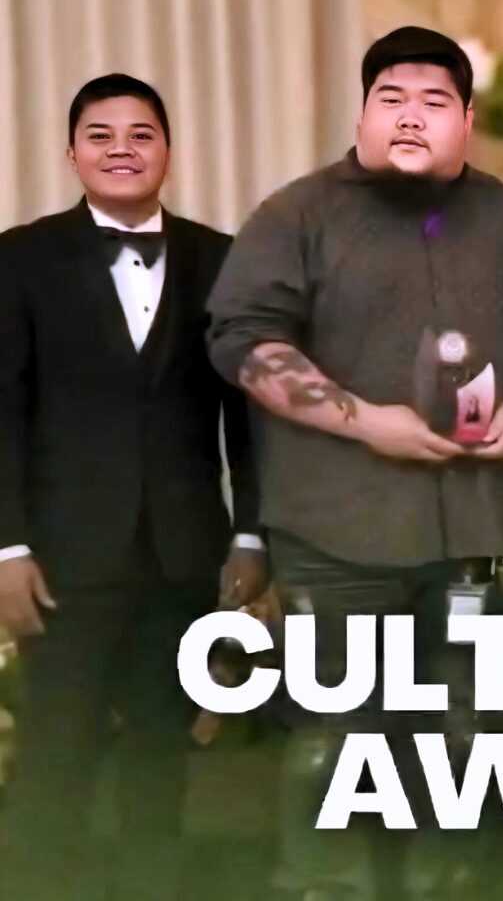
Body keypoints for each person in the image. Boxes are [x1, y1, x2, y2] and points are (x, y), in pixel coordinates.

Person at [207, 27, 503, 898]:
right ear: (364, 112)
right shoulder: (296, 215)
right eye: (391, 100)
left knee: (469, 750)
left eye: (434, 102)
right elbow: (242, 339)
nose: (411, 117)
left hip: (480, 533)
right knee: (336, 749)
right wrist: (364, 420)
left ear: (468, 121)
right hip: (338, 538)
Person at [0, 74, 263, 898]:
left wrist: (251, 534)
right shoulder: (18, 259)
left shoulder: (222, 259)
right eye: (102, 134)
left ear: (169, 152)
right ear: (72, 152)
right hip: (63, 557)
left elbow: (247, 416)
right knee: (57, 756)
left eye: (141, 133)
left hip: (185, 553)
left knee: (163, 753)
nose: (122, 148)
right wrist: (6, 545)